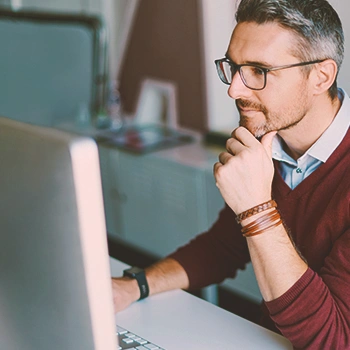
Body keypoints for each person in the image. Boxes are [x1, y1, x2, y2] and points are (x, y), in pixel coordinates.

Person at [112, 0, 350, 348]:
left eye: (258, 71)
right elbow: (224, 246)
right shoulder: (267, 143)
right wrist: (136, 285)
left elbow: (335, 340)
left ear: (320, 76)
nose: (234, 89)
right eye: (234, 67)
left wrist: (257, 208)